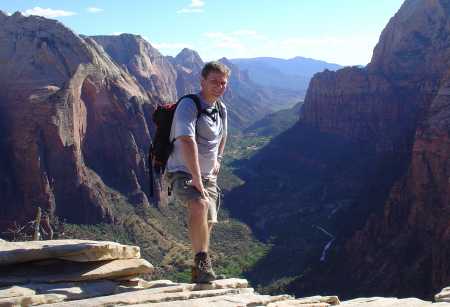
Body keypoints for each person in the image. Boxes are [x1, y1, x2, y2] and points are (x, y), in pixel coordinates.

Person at [164, 61, 230, 283]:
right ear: (202, 81)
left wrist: (218, 158)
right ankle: (203, 264)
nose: (219, 86)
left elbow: (223, 137)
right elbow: (186, 139)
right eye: (214, 81)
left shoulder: (221, 109)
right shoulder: (189, 104)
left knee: (208, 221)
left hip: (208, 175)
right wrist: (195, 177)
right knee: (200, 204)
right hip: (182, 171)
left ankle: (198, 270)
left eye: (223, 82)